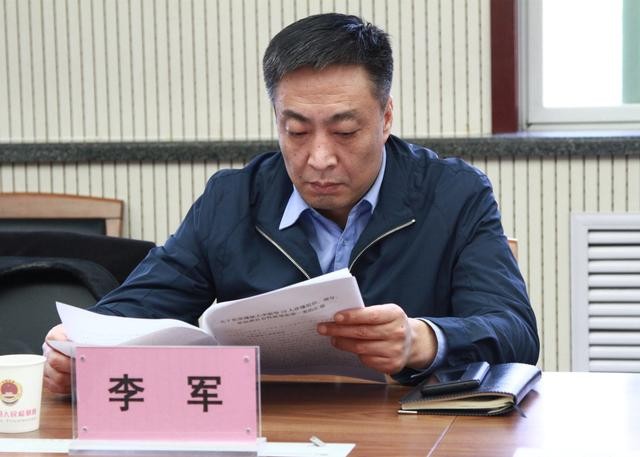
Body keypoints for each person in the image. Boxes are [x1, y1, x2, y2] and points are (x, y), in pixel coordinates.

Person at [43, 13, 539, 394]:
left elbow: (515, 331)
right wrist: (79, 347)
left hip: (408, 429)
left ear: (386, 117)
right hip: (269, 428)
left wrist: (421, 339)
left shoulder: (454, 193)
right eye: (296, 131)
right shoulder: (233, 199)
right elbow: (139, 307)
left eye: (345, 131)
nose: (319, 158)